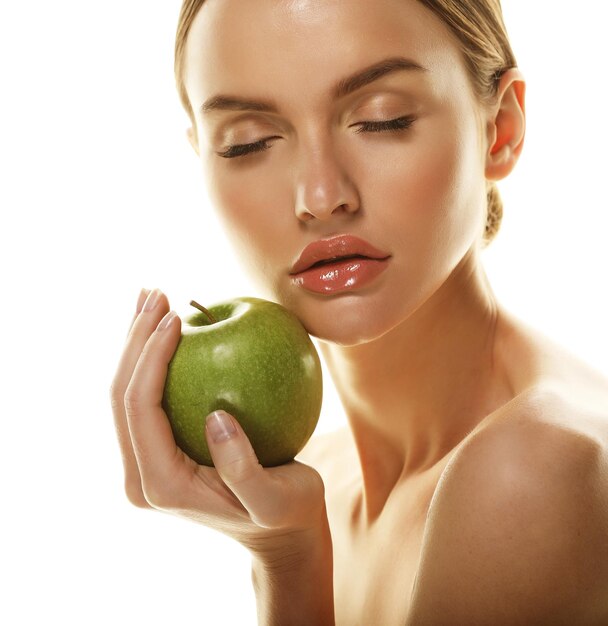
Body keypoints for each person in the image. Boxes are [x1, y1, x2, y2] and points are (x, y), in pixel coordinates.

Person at [110, 0, 608, 623]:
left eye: (382, 119)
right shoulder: (317, 475)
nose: (320, 197)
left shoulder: (530, 472)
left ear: (499, 130)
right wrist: (281, 548)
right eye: (247, 144)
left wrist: (290, 566)